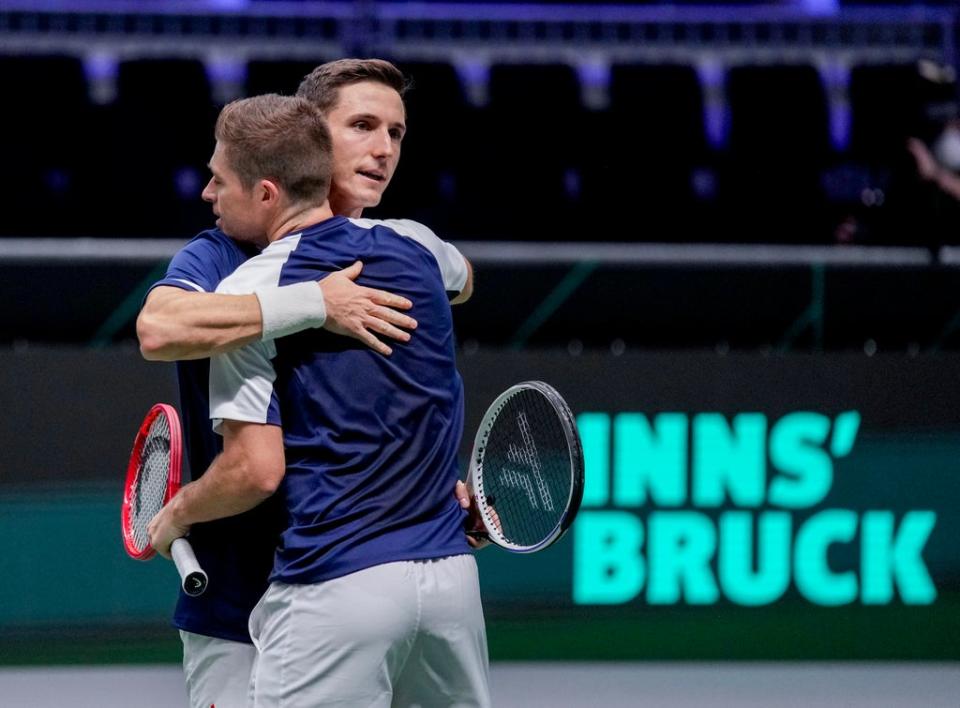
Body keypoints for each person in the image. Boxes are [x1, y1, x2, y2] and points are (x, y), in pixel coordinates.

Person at [136, 59, 483, 708]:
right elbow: (159, 327)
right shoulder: (222, 255)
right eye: (361, 126)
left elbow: (461, 279)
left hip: (345, 571)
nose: (383, 149)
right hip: (240, 599)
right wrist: (315, 302)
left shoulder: (405, 245)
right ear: (308, 139)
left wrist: (430, 482)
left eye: (396, 133)